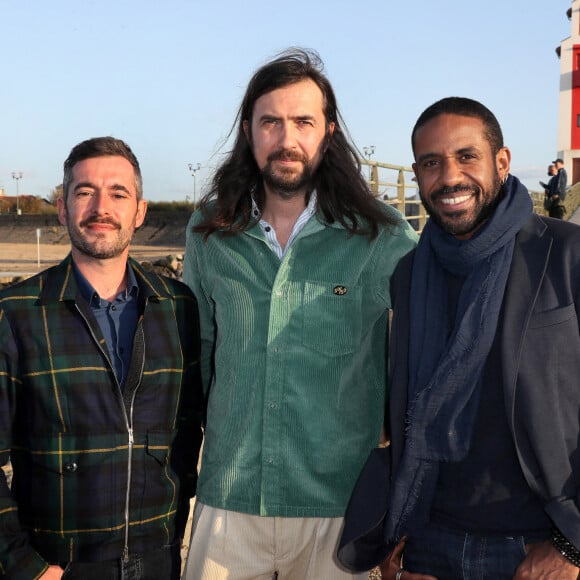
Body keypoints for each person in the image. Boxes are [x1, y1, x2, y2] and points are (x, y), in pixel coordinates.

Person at [182, 48, 417, 580]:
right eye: (271, 122)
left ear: (328, 131)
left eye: (303, 122)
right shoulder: (210, 231)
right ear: (249, 130)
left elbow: (422, 362)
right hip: (229, 501)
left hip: (340, 510)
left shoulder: (381, 236)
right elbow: (194, 358)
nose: (287, 140)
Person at [338, 97, 580, 579]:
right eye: (431, 163)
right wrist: (397, 533)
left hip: (535, 546)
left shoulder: (566, 255)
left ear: (502, 162)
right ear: (417, 172)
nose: (449, 177)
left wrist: (571, 547)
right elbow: (406, 408)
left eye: (466, 156)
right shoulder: (409, 274)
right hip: (431, 544)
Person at [0, 137, 202, 579]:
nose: (101, 207)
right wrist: (22, 565)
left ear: (140, 211)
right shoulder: (14, 312)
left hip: (159, 559)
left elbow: (187, 437)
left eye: (118, 193)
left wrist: (173, 531)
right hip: (60, 565)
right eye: (85, 191)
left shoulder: (178, 306)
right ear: (62, 207)